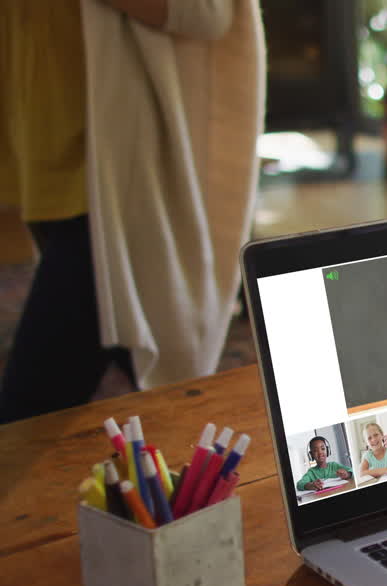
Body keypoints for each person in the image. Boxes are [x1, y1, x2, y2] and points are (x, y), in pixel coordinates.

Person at [0, 0, 264, 423]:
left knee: (26, 412)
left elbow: (208, 11)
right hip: (46, 162)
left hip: (116, 184)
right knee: (144, 382)